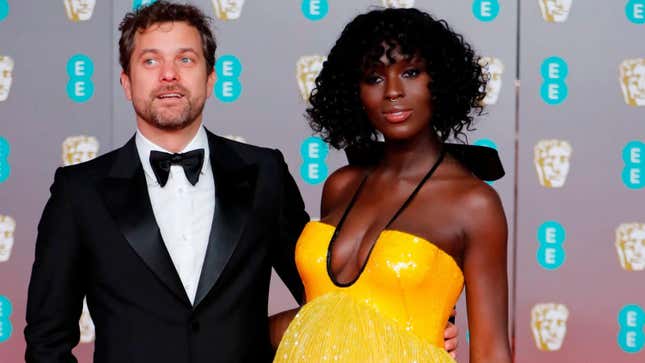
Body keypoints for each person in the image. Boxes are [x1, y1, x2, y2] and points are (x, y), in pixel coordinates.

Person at [24, 2, 309, 362]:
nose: (169, 75)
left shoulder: (266, 172)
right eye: (151, 61)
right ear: (126, 82)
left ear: (210, 79)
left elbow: (319, 297)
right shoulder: (79, 191)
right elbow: (46, 341)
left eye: (186, 59)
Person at [274, 7, 512, 363]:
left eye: (411, 72)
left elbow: (492, 351)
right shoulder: (341, 186)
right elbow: (324, 316)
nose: (393, 92)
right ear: (354, 91)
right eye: (374, 78)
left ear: (441, 81)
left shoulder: (474, 203)